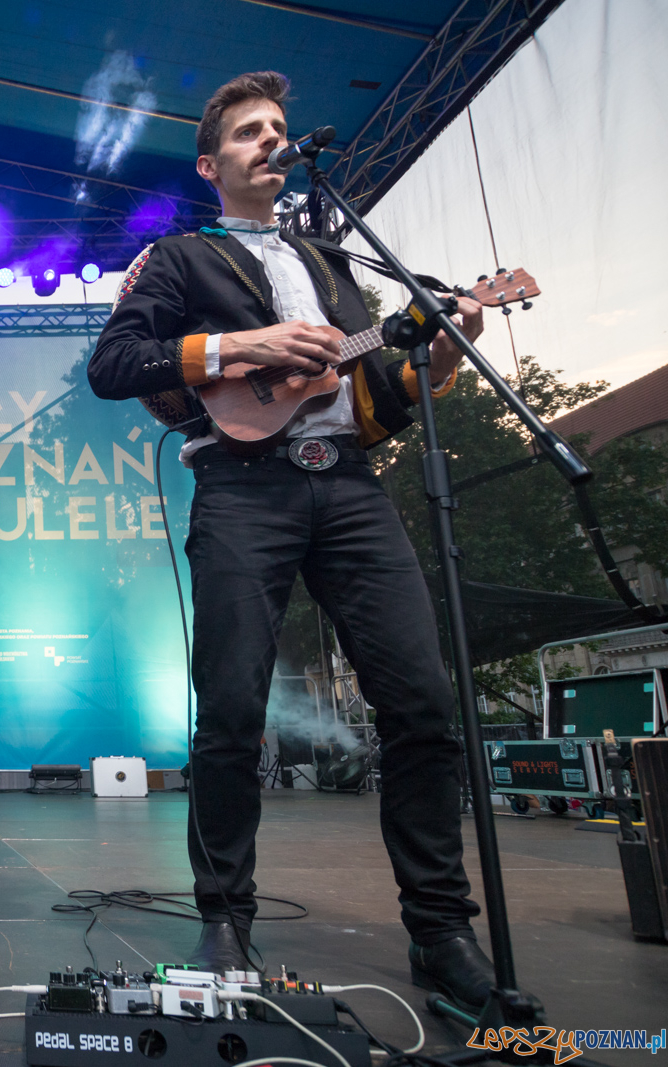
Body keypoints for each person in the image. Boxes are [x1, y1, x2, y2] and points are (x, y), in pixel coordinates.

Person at [86, 72, 496, 1010]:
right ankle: (224, 914)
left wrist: (430, 355)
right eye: (249, 133)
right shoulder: (181, 258)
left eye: (279, 128)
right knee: (230, 710)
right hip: (239, 491)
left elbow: (369, 397)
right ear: (212, 164)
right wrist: (242, 349)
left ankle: (441, 929)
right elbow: (116, 364)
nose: (270, 140)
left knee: (423, 705)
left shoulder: (334, 263)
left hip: (349, 486)